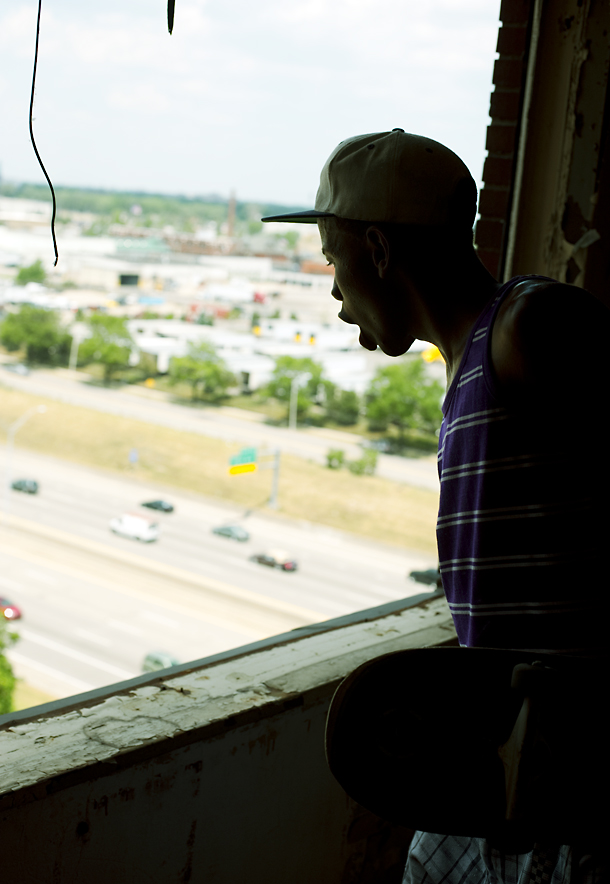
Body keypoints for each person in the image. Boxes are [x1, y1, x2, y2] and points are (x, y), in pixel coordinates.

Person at [262, 129, 608, 883]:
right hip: (505, 773)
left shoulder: (530, 328)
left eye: (333, 258)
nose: (332, 289)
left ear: (379, 251)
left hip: (582, 783)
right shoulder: (472, 365)